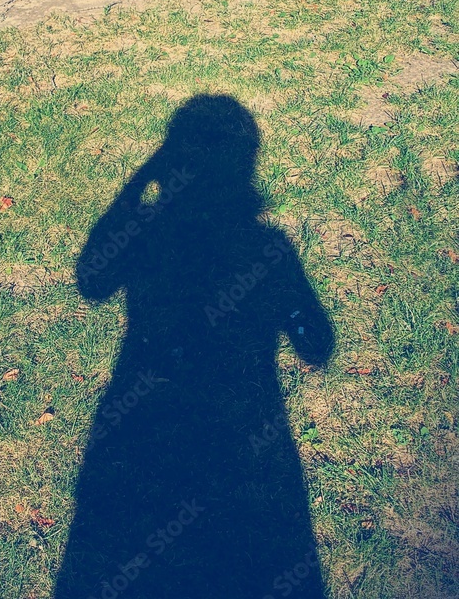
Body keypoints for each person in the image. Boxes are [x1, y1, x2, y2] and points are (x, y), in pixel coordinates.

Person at [54, 94, 335, 599]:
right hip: (243, 416)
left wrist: (139, 180)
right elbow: (316, 344)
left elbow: (92, 281)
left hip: (149, 411)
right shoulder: (266, 246)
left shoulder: (152, 232)